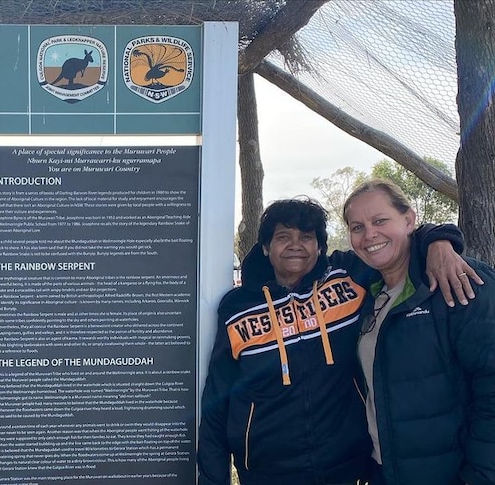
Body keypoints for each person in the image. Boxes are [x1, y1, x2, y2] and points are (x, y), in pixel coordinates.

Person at [197, 197, 479, 485]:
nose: (295, 245)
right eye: (283, 237)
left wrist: (439, 241)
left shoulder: (348, 275)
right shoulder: (236, 307)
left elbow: (396, 245)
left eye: (306, 237)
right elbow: (218, 398)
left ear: (320, 247)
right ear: (266, 247)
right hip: (266, 472)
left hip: (349, 466)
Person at [343, 179, 495, 485]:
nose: (369, 235)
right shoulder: (366, 295)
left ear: (409, 220)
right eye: (357, 227)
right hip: (385, 472)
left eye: (380, 220)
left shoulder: (464, 282)